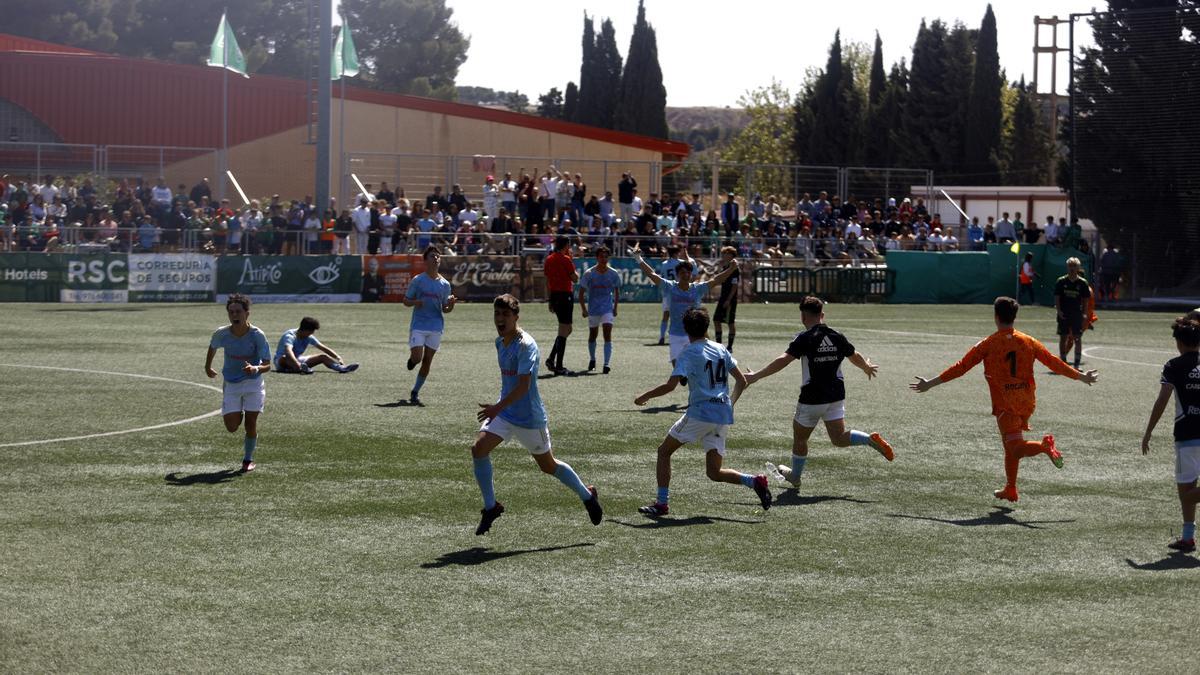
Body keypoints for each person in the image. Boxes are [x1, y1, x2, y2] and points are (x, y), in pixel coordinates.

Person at [910, 297, 1098, 502]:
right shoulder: (1029, 341)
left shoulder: (988, 344)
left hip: (1005, 404)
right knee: (1010, 445)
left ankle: (1044, 446)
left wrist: (930, 383)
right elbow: (1054, 363)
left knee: (1016, 448)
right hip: (1026, 401)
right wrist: (1081, 376)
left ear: (996, 316)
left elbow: (961, 367)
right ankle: (1010, 488)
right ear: (1014, 317)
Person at [471, 294, 604, 535]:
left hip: (529, 418)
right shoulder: (500, 343)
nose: (500, 320)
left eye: (505, 315)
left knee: (548, 466)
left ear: (516, 317)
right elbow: (510, 385)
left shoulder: (526, 345)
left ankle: (587, 495)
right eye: (497, 314)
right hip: (505, 413)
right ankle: (491, 507)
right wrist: (500, 408)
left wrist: (496, 407)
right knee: (478, 449)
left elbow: (523, 387)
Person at [743, 296, 894, 489]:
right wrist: (865, 367)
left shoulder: (804, 338)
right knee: (838, 438)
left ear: (803, 317)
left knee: (800, 438)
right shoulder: (836, 335)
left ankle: (795, 476)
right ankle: (868, 439)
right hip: (836, 396)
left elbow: (783, 359)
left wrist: (757, 375)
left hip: (812, 398)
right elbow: (854, 355)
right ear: (822, 315)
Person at [632, 307, 772, 516]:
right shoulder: (720, 348)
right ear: (707, 327)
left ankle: (661, 503)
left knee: (664, 452)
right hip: (722, 414)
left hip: (701, 413)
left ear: (685, 329)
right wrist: (730, 403)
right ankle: (754, 481)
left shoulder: (688, 352)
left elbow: (671, 386)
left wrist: (645, 396)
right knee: (714, 473)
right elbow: (741, 381)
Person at [1141, 316, 1200, 552]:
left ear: (1179, 342)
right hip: (1189, 437)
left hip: (1187, 436)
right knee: (1187, 493)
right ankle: (1188, 538)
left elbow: (1162, 400)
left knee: (1186, 493)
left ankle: (1188, 536)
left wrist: (1148, 431)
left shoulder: (1174, 366)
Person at [636, 253, 737, 372]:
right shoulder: (670, 287)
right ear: (677, 275)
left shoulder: (697, 288)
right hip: (676, 333)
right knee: (676, 366)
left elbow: (716, 280)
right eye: (683, 272)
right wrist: (638, 259)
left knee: (699, 362)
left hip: (696, 334)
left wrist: (731, 269)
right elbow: (652, 274)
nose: (686, 275)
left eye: (688, 272)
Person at [204, 294, 271, 473]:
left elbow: (268, 365)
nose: (234, 315)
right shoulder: (222, 333)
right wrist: (207, 367)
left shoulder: (257, 335)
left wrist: (255, 368)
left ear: (247, 314)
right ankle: (238, 411)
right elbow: (212, 347)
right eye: (231, 312)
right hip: (232, 384)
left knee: (251, 423)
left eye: (238, 311)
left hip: (253, 384)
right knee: (232, 427)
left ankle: (247, 459)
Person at [402, 246, 458, 404]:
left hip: (436, 327)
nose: (436, 258)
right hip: (419, 325)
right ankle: (412, 361)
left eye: (438, 256)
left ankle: (415, 392)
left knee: (427, 361)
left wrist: (451, 304)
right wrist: (415, 302)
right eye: (432, 256)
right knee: (418, 358)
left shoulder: (445, 285)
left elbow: (445, 309)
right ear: (425, 260)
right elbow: (405, 301)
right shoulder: (418, 280)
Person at [578, 245, 620, 373]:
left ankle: (606, 364)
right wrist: (584, 309)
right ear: (597, 257)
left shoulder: (613, 273)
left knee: (607, 334)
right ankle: (592, 359)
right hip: (594, 308)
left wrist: (615, 307)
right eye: (601, 256)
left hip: (607, 308)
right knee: (593, 335)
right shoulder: (589, 273)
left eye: (606, 257)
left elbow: (617, 291)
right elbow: (581, 293)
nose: (603, 259)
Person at [543, 235, 578, 376]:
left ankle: (552, 359)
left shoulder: (549, 259)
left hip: (555, 296)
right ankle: (558, 365)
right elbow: (575, 278)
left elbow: (547, 281)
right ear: (566, 246)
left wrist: (550, 299)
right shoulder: (566, 260)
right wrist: (572, 262)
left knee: (566, 329)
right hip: (565, 295)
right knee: (565, 329)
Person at [274, 317, 359, 374]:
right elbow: (288, 351)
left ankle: (342, 368)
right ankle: (297, 368)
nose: (312, 334)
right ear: (304, 329)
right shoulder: (290, 336)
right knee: (285, 357)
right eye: (310, 331)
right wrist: (297, 364)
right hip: (282, 362)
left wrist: (338, 357)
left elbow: (323, 348)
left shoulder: (308, 336)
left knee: (323, 356)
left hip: (298, 361)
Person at [1056, 257, 1091, 368]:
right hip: (1064, 314)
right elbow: (1057, 297)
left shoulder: (1083, 283)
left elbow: (1086, 300)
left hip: (1077, 314)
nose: (1072, 268)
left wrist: (1085, 313)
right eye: (1070, 266)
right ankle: (1063, 362)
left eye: (1074, 266)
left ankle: (1076, 364)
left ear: (1078, 268)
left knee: (1077, 338)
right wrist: (1059, 310)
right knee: (1063, 337)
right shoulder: (1061, 281)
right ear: (1067, 267)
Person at [655, 246, 695, 345]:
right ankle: (687, 336)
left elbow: (662, 278)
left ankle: (662, 337)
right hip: (679, 291)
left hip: (667, 292)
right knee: (684, 315)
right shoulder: (681, 263)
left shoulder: (664, 264)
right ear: (676, 253)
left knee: (665, 316)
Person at [712, 246, 742, 351]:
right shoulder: (726, 267)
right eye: (723, 253)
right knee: (716, 320)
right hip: (723, 297)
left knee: (730, 322)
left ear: (731, 255)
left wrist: (729, 299)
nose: (724, 255)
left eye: (726, 253)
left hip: (730, 298)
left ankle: (729, 346)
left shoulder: (734, 268)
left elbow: (734, 285)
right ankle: (719, 345)